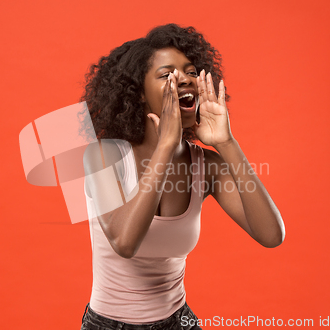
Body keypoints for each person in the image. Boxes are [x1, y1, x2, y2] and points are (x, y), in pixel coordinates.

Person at [79, 23, 285, 330]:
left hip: (179, 321)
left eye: (190, 71)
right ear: (137, 93)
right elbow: (124, 242)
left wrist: (226, 143)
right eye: (166, 74)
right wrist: (166, 145)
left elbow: (271, 235)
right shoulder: (103, 156)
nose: (185, 79)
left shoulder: (206, 165)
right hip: (110, 325)